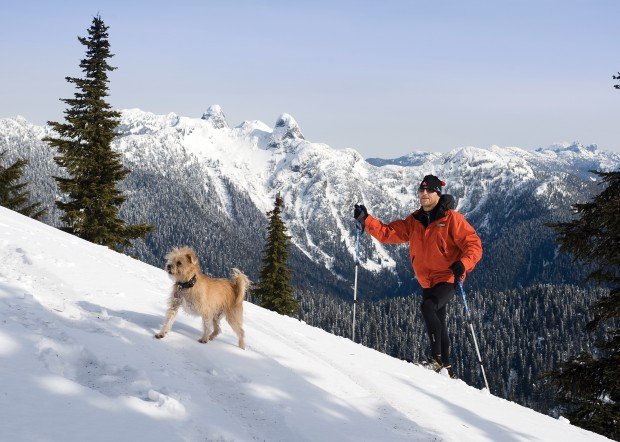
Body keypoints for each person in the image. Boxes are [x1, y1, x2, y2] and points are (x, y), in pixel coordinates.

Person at [353, 175, 482, 378]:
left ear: (437, 193)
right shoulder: (414, 220)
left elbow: (473, 244)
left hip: (448, 277)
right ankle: (447, 368)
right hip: (426, 280)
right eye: (421, 191)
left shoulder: (451, 219)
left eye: (428, 191)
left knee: (428, 307)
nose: (423, 194)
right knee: (439, 319)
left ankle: (436, 360)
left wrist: (464, 263)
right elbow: (388, 233)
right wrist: (366, 220)